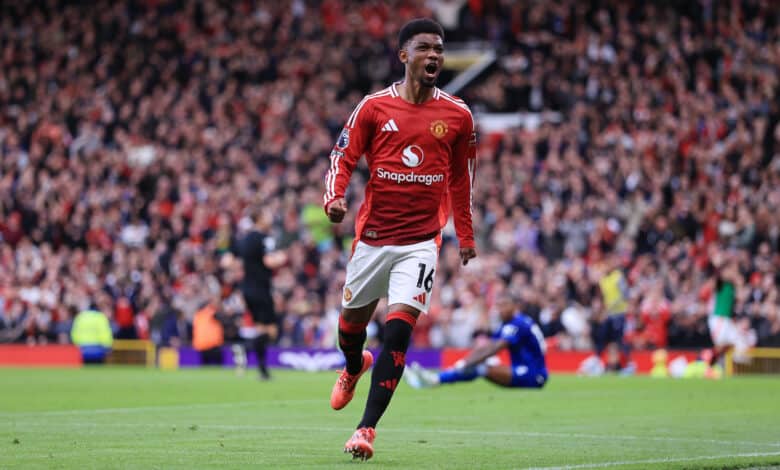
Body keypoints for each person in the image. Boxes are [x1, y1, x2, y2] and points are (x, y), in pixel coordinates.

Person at [323, 18, 477, 461]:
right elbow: (343, 155)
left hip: (420, 242)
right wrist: (333, 199)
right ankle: (354, 365)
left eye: (440, 50)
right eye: (425, 48)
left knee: (398, 333)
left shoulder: (458, 115)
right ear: (404, 55)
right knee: (349, 331)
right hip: (372, 240)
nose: (434, 56)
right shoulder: (373, 108)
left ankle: (365, 429)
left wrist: (464, 235)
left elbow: (461, 180)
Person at [404, 294, 548, 389]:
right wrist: (466, 361)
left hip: (534, 375)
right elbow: (488, 347)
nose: (500, 310)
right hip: (525, 370)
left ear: (514, 307)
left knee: (482, 368)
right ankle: (435, 377)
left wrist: (467, 362)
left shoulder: (517, 324)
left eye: (504, 305)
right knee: (484, 364)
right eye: (498, 306)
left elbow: (495, 348)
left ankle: (435, 379)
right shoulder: (511, 323)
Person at [238, 208, 288, 380]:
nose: (269, 217)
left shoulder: (245, 239)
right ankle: (246, 347)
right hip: (261, 289)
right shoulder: (264, 238)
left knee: (260, 328)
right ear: (259, 218)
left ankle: (262, 370)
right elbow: (269, 261)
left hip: (247, 288)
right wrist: (282, 257)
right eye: (266, 214)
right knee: (272, 332)